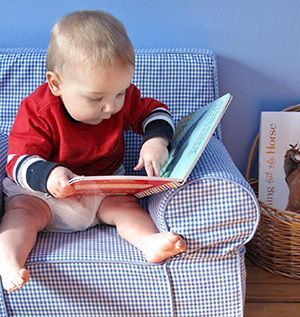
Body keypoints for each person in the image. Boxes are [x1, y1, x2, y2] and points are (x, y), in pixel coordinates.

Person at [0, 10, 186, 292]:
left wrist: (156, 141)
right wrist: (49, 176)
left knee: (125, 207)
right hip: (44, 197)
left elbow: (156, 112)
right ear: (56, 83)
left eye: (120, 93)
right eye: (96, 98)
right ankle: (10, 261)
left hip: (101, 192)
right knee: (20, 214)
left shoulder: (118, 98)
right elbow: (17, 162)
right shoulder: (38, 110)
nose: (112, 107)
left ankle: (148, 241)